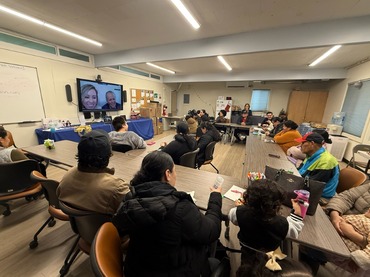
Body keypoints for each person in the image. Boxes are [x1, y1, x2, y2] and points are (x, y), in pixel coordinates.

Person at [112, 151, 223, 277]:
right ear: (167, 174)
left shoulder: (130, 198)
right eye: (174, 171)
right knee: (215, 261)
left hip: (137, 269)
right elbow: (212, 230)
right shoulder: (181, 208)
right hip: (174, 270)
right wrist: (215, 196)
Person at [228, 179, 305, 276]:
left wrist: (241, 207)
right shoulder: (282, 224)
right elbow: (294, 231)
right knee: (263, 271)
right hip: (268, 255)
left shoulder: (238, 212)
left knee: (246, 266)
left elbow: (232, 216)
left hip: (247, 249)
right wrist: (297, 214)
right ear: (276, 206)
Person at [57, 130, 130, 214]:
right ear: (109, 155)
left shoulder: (67, 175)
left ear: (79, 154)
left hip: (78, 223)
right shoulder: (117, 188)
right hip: (105, 226)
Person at [295, 132, 339, 200]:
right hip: (307, 188)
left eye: (303, 143)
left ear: (312, 143)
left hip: (320, 197)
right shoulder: (310, 155)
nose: (300, 145)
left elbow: (313, 186)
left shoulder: (326, 161)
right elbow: (299, 171)